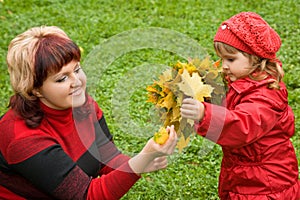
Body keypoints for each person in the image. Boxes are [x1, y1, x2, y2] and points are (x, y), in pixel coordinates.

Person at [0, 26, 178, 200]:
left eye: (77, 70)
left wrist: (143, 160)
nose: (77, 82)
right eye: (62, 78)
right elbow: (87, 195)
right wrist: (138, 163)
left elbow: (106, 158)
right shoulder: (22, 138)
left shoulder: (83, 105)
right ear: (35, 89)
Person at [180, 12, 299, 199]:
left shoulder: (266, 95)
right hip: (245, 172)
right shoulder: (241, 80)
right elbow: (227, 105)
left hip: (266, 184)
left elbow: (242, 124)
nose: (224, 66)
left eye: (230, 59)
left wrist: (205, 113)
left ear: (255, 58)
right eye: (222, 59)